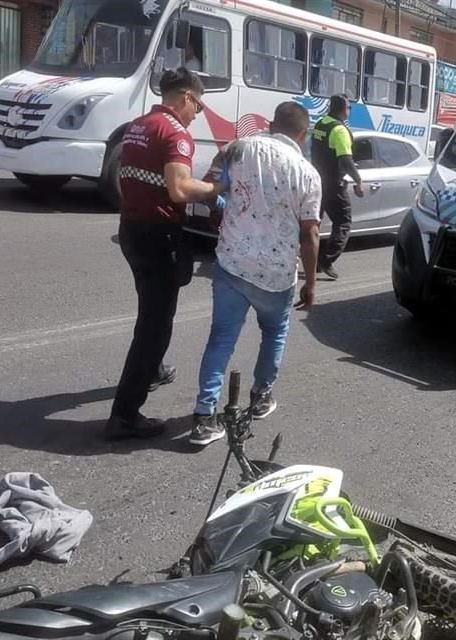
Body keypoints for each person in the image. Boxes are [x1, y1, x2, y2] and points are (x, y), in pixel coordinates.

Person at [187, 101, 322, 446]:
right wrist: (311, 282)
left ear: (273, 124)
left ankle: (204, 417)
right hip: (276, 276)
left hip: (232, 263)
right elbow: (310, 233)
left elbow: (209, 191)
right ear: (302, 134)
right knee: (274, 333)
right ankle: (261, 396)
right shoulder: (307, 174)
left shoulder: (238, 149)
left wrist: (227, 208)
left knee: (220, 339)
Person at [105, 68, 223, 440]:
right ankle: (125, 414)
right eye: (199, 107)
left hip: (131, 229)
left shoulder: (139, 125)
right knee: (155, 325)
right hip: (158, 235)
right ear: (187, 97)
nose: (197, 114)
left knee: (150, 306)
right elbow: (178, 187)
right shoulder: (175, 133)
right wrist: (214, 189)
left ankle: (152, 369)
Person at [310, 94, 364, 280]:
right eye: (349, 107)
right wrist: (358, 180)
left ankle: (310, 259)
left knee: (313, 221)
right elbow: (345, 159)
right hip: (333, 184)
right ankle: (325, 260)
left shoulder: (320, 124)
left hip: (316, 180)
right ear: (343, 109)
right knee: (343, 222)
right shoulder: (339, 130)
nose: (349, 111)